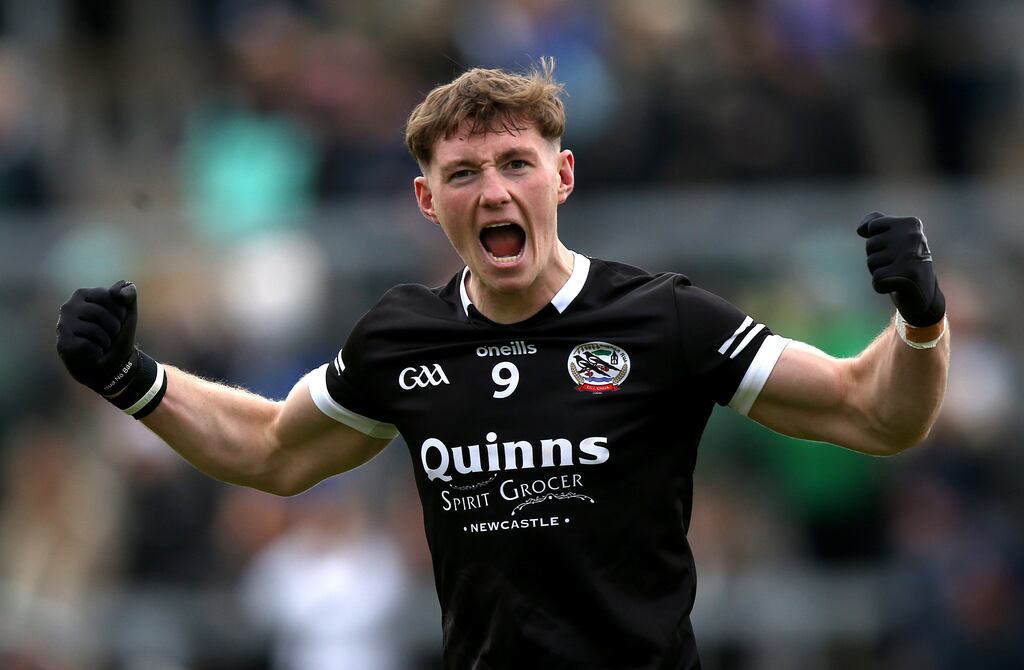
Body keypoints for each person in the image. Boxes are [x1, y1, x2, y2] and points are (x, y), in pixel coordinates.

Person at [56, 60, 950, 669]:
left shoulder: (663, 318)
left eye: (517, 163)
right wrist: (133, 379)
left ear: (562, 177)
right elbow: (274, 450)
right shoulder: (399, 338)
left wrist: (919, 321)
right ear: (426, 198)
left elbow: (874, 414)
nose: (493, 191)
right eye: (463, 173)